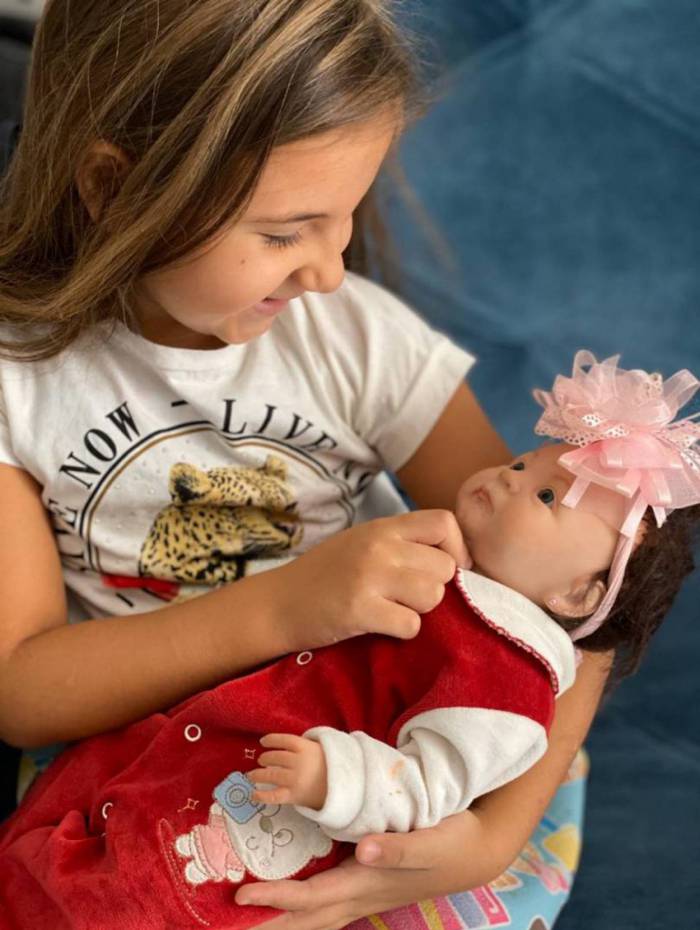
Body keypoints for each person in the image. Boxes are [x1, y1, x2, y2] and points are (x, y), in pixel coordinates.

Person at [0, 3, 613, 928]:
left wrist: (486, 841)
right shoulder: (18, 378)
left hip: (378, 753)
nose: (329, 271)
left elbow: (580, 604)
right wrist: (291, 606)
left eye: (347, 219)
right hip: (145, 760)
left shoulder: (359, 343)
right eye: (286, 232)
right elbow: (23, 690)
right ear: (112, 187)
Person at [0, 352, 698, 930]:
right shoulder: (454, 568)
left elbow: (428, 783)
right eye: (522, 463)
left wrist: (338, 779)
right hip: (213, 731)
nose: (509, 477)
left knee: (145, 896)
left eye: (546, 498)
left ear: (577, 595)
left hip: (291, 795)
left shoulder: (507, 668)